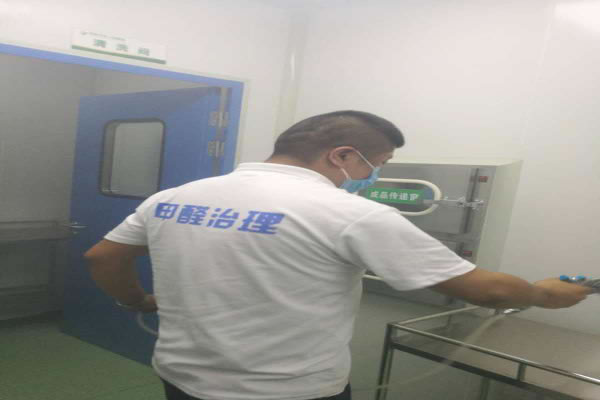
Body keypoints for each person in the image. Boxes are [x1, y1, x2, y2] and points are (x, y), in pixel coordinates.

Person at [85, 110, 591, 400]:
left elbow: (102, 259)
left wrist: (136, 301)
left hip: (182, 378)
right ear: (343, 155)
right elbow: (490, 290)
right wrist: (545, 293)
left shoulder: (176, 197)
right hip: (287, 391)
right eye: (377, 163)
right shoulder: (350, 213)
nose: (374, 174)